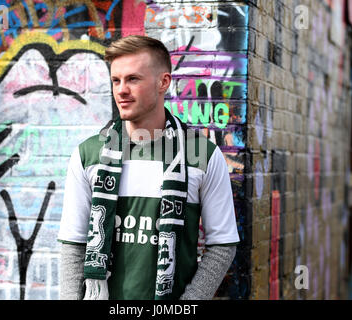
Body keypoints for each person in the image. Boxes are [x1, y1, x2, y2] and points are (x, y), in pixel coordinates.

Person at [57, 35, 240, 300]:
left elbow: (222, 245)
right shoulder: (89, 154)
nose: (121, 90)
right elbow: (73, 246)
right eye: (116, 80)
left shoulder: (202, 155)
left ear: (163, 82)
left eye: (133, 79)